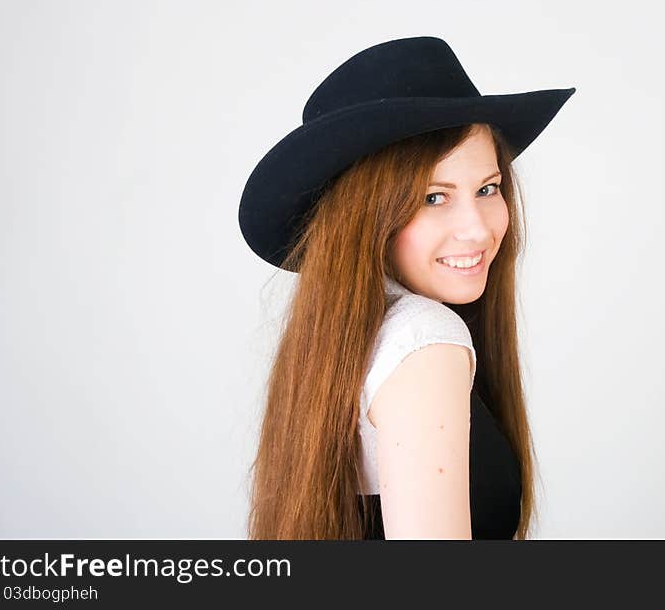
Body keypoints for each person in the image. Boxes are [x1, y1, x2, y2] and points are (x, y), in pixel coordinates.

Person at [238, 36, 575, 539]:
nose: (478, 229)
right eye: (434, 197)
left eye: (487, 189)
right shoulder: (424, 340)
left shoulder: (341, 342)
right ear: (365, 217)